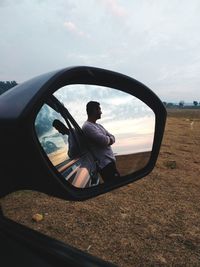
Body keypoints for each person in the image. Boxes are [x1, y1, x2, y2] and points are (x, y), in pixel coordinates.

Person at [82, 101, 120, 184]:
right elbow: (104, 141)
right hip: (105, 165)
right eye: (99, 109)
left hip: (110, 163)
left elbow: (112, 137)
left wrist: (109, 139)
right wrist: (109, 139)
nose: (101, 112)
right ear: (94, 111)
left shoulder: (98, 126)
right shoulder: (87, 126)